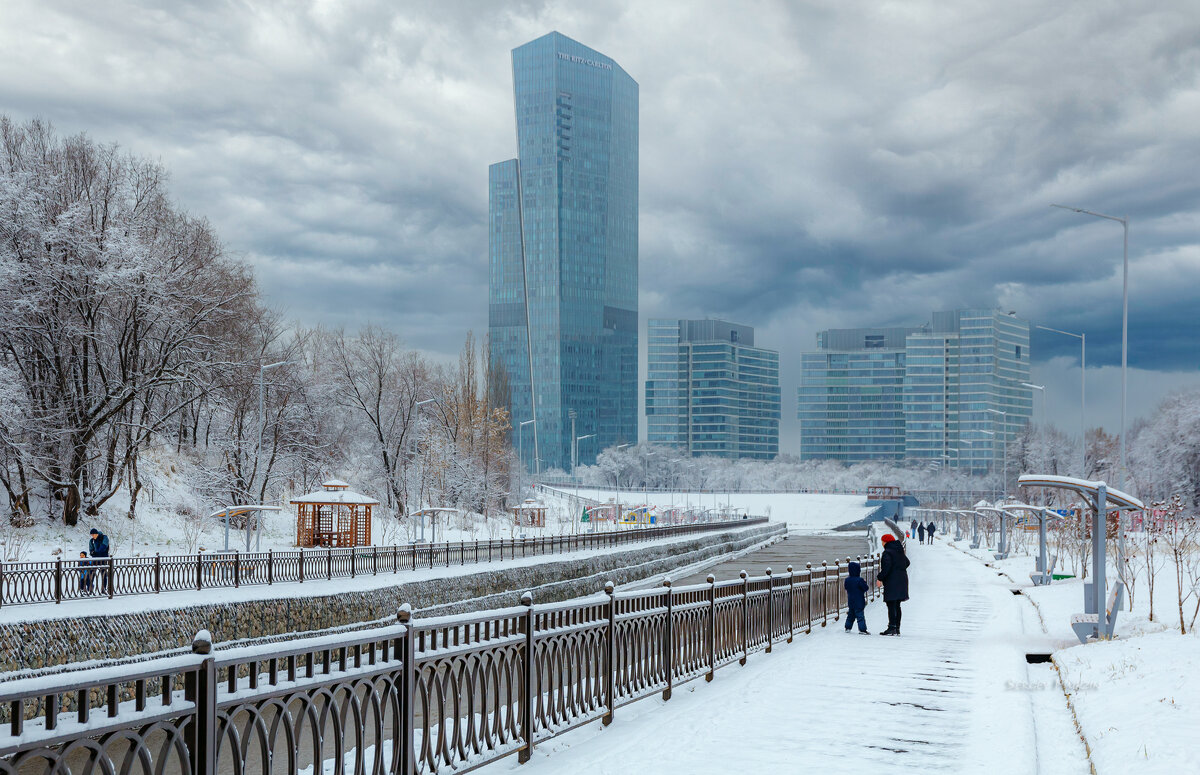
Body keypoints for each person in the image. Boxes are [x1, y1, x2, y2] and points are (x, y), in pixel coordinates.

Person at [876, 533, 910, 636]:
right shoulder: (899, 550)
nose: (881, 543)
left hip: (892, 581)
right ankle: (897, 628)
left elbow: (886, 568)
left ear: (885, 542)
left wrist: (879, 578)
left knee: (891, 604)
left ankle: (891, 628)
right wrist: (899, 569)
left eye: (882, 541)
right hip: (902, 580)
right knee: (897, 605)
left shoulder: (887, 552)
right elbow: (907, 562)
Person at [843, 560, 870, 634]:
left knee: (851, 615)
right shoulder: (859, 580)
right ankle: (862, 629)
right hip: (859, 601)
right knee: (860, 616)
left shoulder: (847, 580)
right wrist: (864, 582)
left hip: (851, 600)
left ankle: (847, 627)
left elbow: (846, 587)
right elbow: (866, 588)